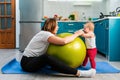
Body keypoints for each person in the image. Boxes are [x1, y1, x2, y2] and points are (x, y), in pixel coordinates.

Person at [20, 18, 96, 78]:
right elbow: (64, 41)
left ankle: (63, 67)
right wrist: (77, 34)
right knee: (46, 57)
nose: (58, 27)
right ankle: (80, 73)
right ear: (51, 26)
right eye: (57, 25)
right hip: (27, 63)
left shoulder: (46, 34)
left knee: (50, 59)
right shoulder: (45, 34)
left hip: (33, 60)